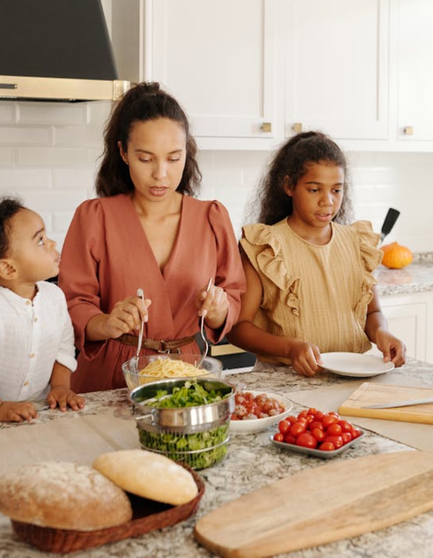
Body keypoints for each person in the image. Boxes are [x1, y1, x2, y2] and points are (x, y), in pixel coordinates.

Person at [58, 83, 245, 392]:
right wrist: (105, 322)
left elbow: (233, 295)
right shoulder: (94, 217)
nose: (160, 174)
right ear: (123, 152)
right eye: (146, 159)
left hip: (187, 376)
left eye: (173, 159)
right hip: (109, 378)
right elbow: (73, 302)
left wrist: (219, 309)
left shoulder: (212, 217)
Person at [227, 131, 406, 376]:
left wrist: (382, 333)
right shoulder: (265, 246)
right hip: (286, 381)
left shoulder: (357, 243)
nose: (327, 201)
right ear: (289, 186)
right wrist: (290, 348)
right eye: (314, 190)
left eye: (336, 190)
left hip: (352, 376)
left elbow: (372, 313)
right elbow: (238, 328)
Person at [0, 197, 84, 422]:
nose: (52, 243)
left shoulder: (54, 297)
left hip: (37, 415)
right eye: (39, 240)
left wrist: (60, 386)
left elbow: (63, 349)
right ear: (8, 268)